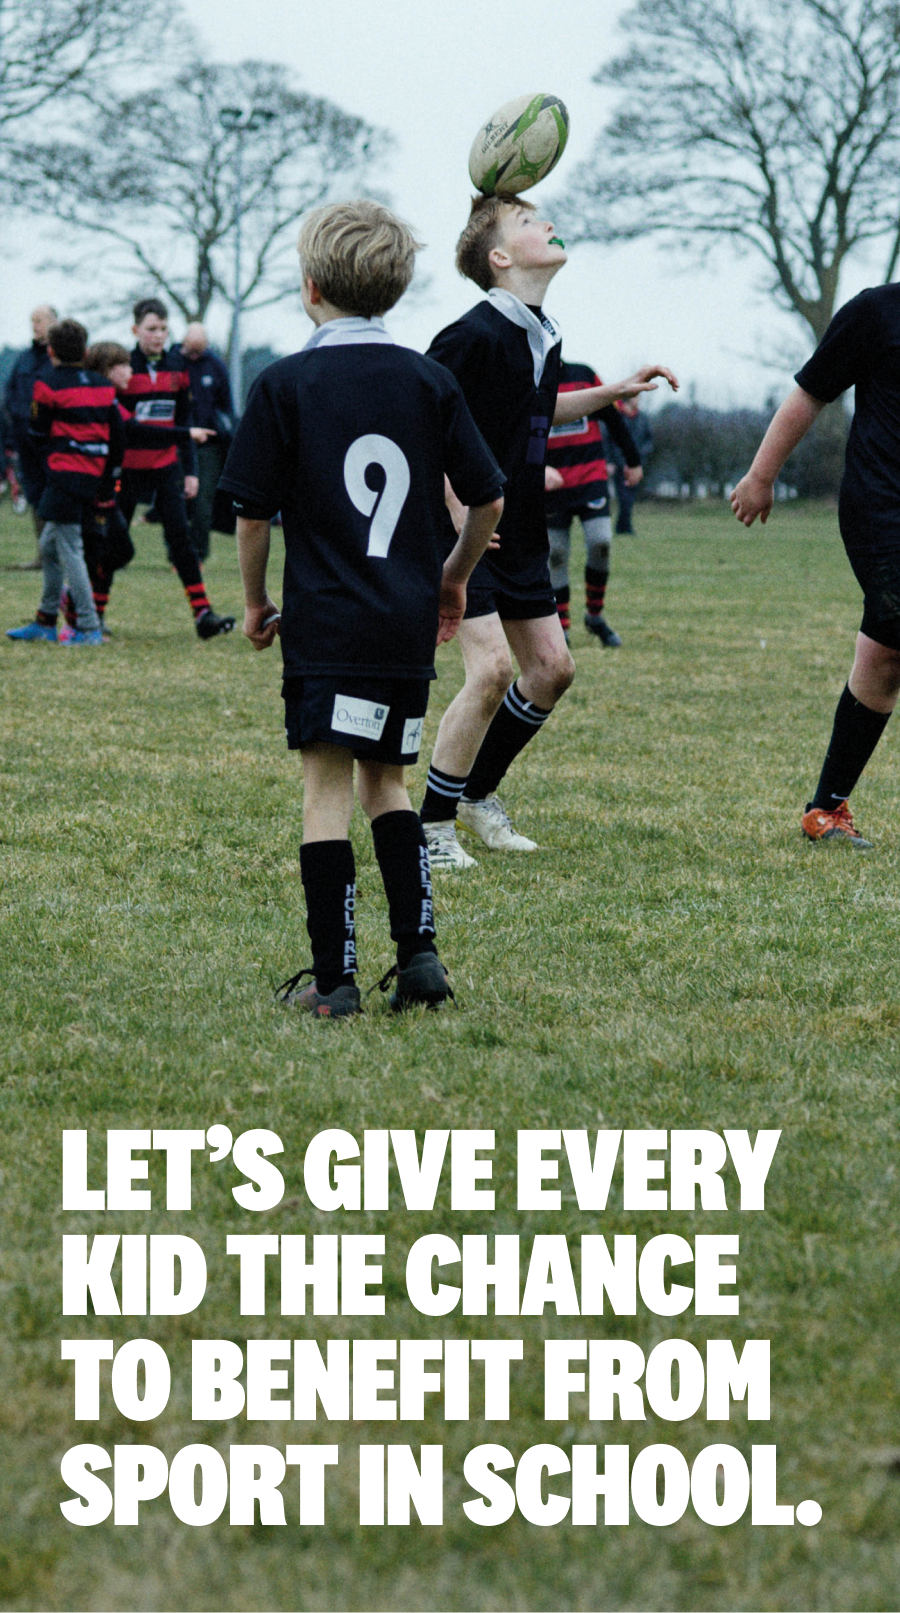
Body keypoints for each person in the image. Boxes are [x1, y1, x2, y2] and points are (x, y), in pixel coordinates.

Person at [219, 199, 504, 1017]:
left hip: (327, 626)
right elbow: (487, 499)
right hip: (402, 627)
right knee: (390, 784)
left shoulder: (284, 384)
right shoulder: (430, 380)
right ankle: (419, 962)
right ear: (394, 290)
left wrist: (253, 600)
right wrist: (451, 577)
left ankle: (335, 978)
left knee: (325, 792)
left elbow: (249, 512)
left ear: (310, 287)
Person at [418, 194, 678, 870]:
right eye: (529, 222)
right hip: (468, 531)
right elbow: (425, 420)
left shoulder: (543, 331)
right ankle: (432, 827)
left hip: (521, 527)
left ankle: (477, 795)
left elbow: (540, 406)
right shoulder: (471, 334)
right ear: (499, 257)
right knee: (493, 670)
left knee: (551, 670)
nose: (548, 224)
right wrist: (454, 508)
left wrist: (615, 391)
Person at [731, 283, 900, 849]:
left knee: (882, 658)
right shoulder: (877, 312)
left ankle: (825, 809)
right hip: (882, 507)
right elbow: (810, 393)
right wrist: (761, 474)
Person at [118, 297, 234, 638]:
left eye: (164, 329)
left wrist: (192, 471)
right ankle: (91, 613)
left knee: (181, 540)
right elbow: (129, 428)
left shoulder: (177, 366)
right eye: (152, 329)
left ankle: (204, 617)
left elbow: (184, 418)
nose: (159, 336)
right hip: (128, 469)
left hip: (167, 466)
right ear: (135, 329)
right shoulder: (124, 367)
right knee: (114, 542)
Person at [6, 319, 121, 645]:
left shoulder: (47, 383)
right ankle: (45, 620)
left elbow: (37, 431)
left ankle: (87, 626)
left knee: (69, 548)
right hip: (92, 475)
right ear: (85, 351)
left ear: (51, 350)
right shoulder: (103, 386)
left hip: (63, 475)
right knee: (50, 547)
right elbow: (116, 433)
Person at [545, 357, 643, 647]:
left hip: (591, 477)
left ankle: (595, 616)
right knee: (556, 554)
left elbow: (613, 418)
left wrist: (633, 460)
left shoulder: (583, 375)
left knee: (601, 542)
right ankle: (561, 628)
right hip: (551, 482)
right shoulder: (528, 380)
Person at [2, 304, 56, 562]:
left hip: (52, 440)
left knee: (53, 493)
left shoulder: (59, 359)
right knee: (34, 493)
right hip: (25, 439)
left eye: (40, 320)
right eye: (32, 320)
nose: (35, 325)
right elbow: (11, 391)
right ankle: (43, 556)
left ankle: (63, 556)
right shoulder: (24, 357)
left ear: (54, 322)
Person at [176, 322, 233, 560]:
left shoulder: (216, 366)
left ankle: (198, 553)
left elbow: (227, 406)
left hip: (207, 445)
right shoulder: (174, 363)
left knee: (203, 501)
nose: (196, 354)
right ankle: (176, 553)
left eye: (201, 349)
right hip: (177, 440)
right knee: (176, 501)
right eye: (192, 349)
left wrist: (222, 430)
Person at [608, 398, 654, 535]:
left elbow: (649, 440)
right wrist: (611, 460)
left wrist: (641, 454)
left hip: (636, 465)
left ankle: (622, 527)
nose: (638, 400)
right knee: (624, 497)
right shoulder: (617, 417)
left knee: (630, 497)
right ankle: (625, 528)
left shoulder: (643, 418)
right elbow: (609, 440)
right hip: (620, 464)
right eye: (636, 397)